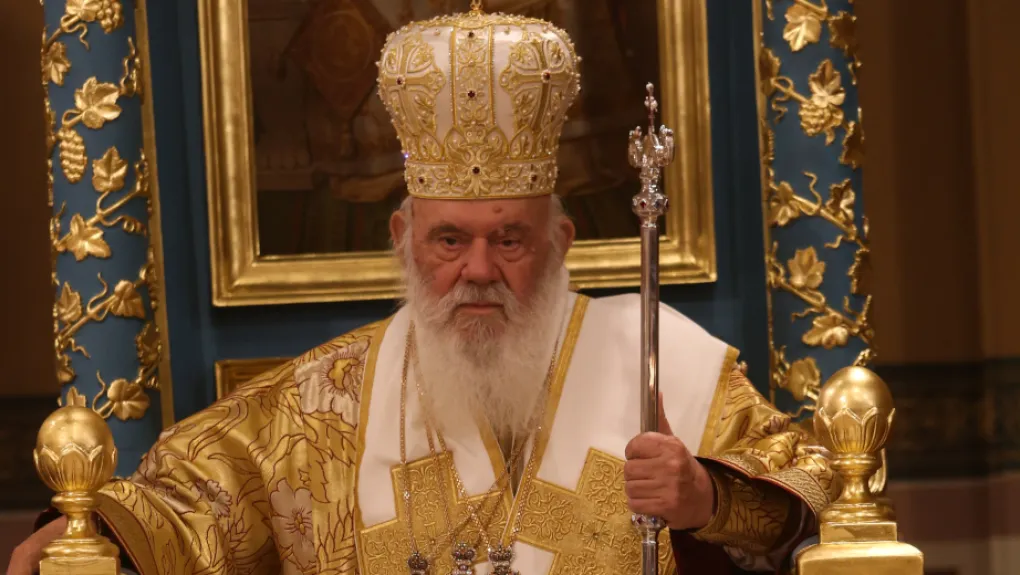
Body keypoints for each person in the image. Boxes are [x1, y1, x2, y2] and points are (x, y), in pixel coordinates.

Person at [9, 4, 837, 575]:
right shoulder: (327, 402)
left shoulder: (663, 359)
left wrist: (707, 496)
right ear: (403, 239)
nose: (477, 269)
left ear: (560, 243)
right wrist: (88, 535)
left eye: (508, 239)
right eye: (449, 239)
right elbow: (198, 496)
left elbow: (807, 485)